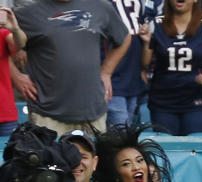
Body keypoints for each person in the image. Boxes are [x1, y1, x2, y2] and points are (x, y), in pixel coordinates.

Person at [14, 0, 131, 136]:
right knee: (50, 158)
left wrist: (106, 72)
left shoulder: (101, 6)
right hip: (47, 116)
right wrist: (16, 76)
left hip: (93, 114)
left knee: (94, 157)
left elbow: (124, 38)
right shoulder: (28, 12)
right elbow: (2, 40)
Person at [141, 0, 202, 136]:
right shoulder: (155, 25)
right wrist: (146, 43)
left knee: (194, 149)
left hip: (197, 102)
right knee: (166, 151)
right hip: (163, 102)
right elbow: (145, 64)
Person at [107, 0, 156, 126]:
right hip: (111, 80)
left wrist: (146, 43)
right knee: (120, 133)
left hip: (133, 78)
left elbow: (144, 53)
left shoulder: (141, 4)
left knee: (128, 133)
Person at [0, 8, 26, 137]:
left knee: (9, 155)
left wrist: (14, 28)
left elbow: (20, 44)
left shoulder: (3, 34)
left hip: (5, 113)